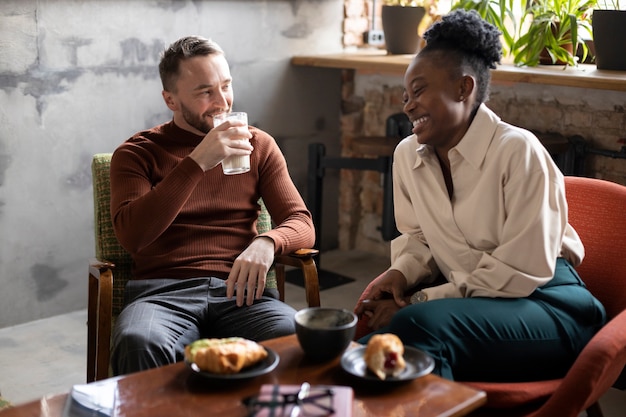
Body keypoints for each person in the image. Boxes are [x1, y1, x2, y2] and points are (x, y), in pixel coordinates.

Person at [354, 10, 606, 382]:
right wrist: (400, 273)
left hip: (546, 304)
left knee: (416, 327)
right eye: (405, 95)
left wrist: (421, 301)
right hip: (475, 304)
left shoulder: (518, 151)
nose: (407, 105)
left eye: (420, 91)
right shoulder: (408, 156)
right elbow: (420, 237)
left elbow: (519, 272)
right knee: (375, 346)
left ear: (464, 88)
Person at [109, 36, 315, 375]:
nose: (222, 102)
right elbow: (132, 236)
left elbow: (301, 222)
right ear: (171, 100)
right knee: (138, 342)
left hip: (241, 293)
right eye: (205, 92)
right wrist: (196, 162)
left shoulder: (258, 145)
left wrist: (267, 242)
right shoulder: (136, 153)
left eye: (226, 86)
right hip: (162, 295)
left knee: (295, 337)